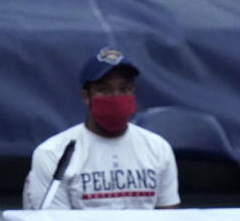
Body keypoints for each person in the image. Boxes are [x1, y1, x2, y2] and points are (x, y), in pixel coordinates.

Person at [22, 46, 180, 210]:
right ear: (86, 97)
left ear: (133, 92)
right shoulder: (53, 153)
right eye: (104, 90)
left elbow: (168, 214)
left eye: (124, 89)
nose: (115, 97)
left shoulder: (158, 148)